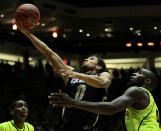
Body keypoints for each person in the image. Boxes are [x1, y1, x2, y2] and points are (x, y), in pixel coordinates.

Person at [17, 25, 112, 131]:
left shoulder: (103, 74)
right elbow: (48, 52)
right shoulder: (71, 74)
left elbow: (103, 83)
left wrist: (76, 75)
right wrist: (27, 33)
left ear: (99, 67)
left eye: (91, 59)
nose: (86, 59)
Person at [49, 69, 161, 131]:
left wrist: (73, 102)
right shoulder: (148, 98)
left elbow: (111, 108)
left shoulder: (137, 91)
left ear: (147, 81)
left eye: (139, 73)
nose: (134, 73)